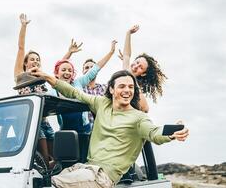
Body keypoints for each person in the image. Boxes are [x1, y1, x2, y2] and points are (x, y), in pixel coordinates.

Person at [31, 69, 189, 188]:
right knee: (36, 179)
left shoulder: (139, 118)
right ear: (112, 89)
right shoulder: (102, 104)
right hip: (83, 168)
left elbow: (154, 132)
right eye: (122, 86)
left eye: (130, 87)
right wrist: (46, 77)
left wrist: (172, 133)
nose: (127, 90)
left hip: (103, 176)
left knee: (49, 185)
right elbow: (74, 92)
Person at [13, 13, 54, 169]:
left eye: (37, 60)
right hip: (31, 121)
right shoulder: (20, 75)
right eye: (32, 59)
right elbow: (21, 48)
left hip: (45, 120)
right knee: (44, 158)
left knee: (54, 154)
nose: (35, 61)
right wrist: (24, 26)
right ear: (25, 63)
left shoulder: (42, 78)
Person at [119, 25, 167, 104]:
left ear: (143, 74)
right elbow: (127, 55)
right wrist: (128, 33)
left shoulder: (135, 87)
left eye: (140, 68)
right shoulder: (125, 71)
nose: (136, 66)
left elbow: (145, 108)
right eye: (137, 62)